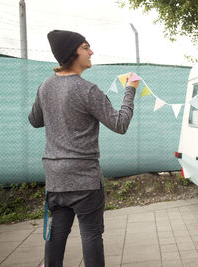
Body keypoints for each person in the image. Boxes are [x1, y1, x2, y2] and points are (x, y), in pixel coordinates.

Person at [28, 30, 139, 267]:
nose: (91, 52)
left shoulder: (45, 86)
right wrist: (130, 90)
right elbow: (120, 124)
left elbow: (35, 120)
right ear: (72, 53)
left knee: (57, 234)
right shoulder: (87, 90)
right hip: (85, 179)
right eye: (86, 47)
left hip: (56, 177)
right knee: (90, 235)